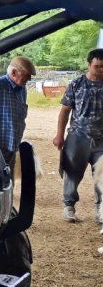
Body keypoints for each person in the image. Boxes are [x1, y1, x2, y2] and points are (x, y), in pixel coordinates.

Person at [53, 48, 103, 223]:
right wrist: (59, 135)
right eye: (97, 66)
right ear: (89, 64)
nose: (101, 70)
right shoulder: (76, 84)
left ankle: (101, 210)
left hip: (102, 140)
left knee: (102, 175)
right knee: (72, 173)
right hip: (77, 137)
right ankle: (69, 206)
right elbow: (65, 112)